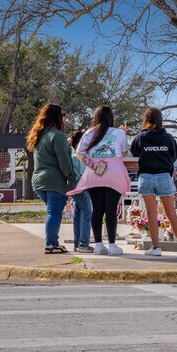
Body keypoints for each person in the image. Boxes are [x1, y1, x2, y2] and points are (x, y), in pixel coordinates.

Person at [68, 105, 131, 255]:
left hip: (94, 174)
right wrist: (123, 134)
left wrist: (93, 165)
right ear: (111, 118)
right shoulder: (119, 133)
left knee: (97, 209)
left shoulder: (89, 133)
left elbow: (80, 153)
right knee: (111, 209)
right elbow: (124, 154)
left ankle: (98, 245)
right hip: (115, 173)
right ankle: (113, 245)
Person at [130, 107, 177, 256]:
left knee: (151, 214)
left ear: (146, 120)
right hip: (164, 176)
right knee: (171, 213)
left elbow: (134, 152)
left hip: (146, 176)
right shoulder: (168, 138)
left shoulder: (140, 137)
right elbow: (173, 156)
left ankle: (155, 248)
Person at [26, 104, 75, 254]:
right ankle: (51, 244)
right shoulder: (58, 135)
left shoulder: (38, 136)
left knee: (52, 212)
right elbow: (64, 160)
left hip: (38, 181)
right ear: (57, 118)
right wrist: (71, 178)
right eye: (62, 116)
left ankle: (53, 242)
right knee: (54, 213)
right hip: (54, 180)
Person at [69, 130, 93, 253]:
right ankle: (84, 244)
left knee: (78, 215)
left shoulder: (72, 154)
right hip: (81, 187)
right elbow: (82, 173)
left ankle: (77, 243)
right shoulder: (79, 156)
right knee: (87, 213)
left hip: (75, 188)